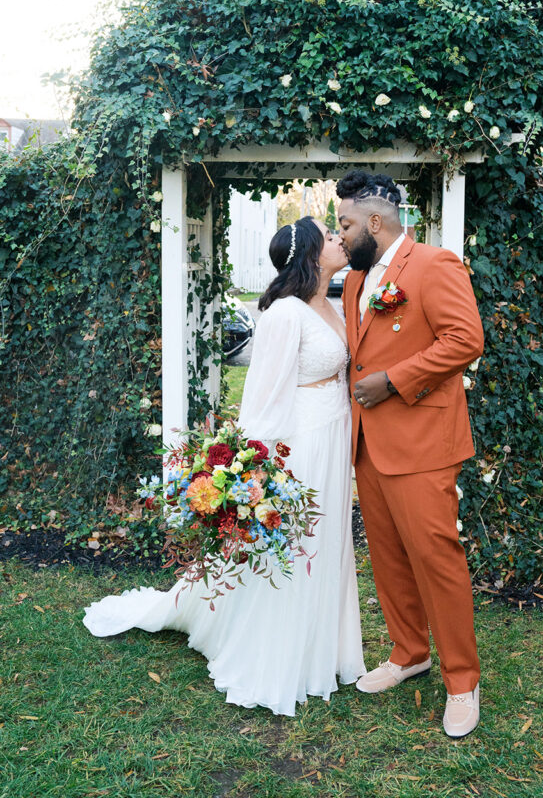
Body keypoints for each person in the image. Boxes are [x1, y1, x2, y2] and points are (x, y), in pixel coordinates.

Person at [83, 216, 366, 716]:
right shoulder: (286, 313)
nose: (339, 239)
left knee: (327, 543)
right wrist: (254, 469)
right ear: (310, 253)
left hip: (334, 432)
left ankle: (325, 647)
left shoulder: (334, 302)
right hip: (302, 443)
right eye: (329, 235)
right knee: (298, 544)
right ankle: (277, 654)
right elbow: (262, 396)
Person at [336, 170, 484, 740]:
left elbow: (465, 339)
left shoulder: (434, 264)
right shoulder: (355, 280)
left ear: (375, 221)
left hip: (422, 443)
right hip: (368, 445)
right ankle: (409, 652)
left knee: (436, 559)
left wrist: (395, 380)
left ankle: (462, 681)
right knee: (388, 556)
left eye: (346, 223)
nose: (340, 233)